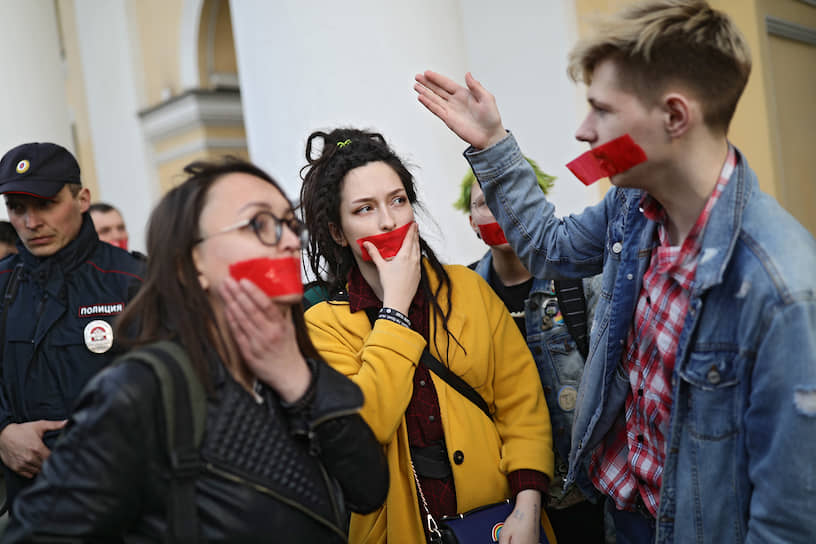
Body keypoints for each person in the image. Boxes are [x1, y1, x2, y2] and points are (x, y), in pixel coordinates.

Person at [415, 1, 816, 542]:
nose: (583, 131)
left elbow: (788, 517)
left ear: (674, 116)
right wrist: (491, 143)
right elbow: (550, 248)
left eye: (601, 110)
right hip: (621, 516)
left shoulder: (779, 285)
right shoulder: (633, 204)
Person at [2, 157, 389, 541]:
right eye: (259, 224)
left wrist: (300, 384)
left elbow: (368, 490)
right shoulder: (140, 389)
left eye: (289, 225)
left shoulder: (295, 364)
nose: (289, 241)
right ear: (193, 263)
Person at [300, 128, 557, 544]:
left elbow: (521, 407)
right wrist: (395, 309)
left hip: (502, 522)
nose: (388, 220)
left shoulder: (468, 289)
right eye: (364, 209)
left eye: (398, 200)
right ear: (337, 232)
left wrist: (527, 509)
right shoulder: (324, 327)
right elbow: (366, 428)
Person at [456, 168, 607, 542]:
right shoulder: (462, 297)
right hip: (508, 500)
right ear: (472, 221)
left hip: (589, 495)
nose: (497, 209)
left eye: (508, 198)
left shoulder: (580, 280)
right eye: (483, 203)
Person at [0, 142, 145, 510]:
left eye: (46, 204)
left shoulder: (134, 281)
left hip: (125, 506)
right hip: (32, 506)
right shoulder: (3, 286)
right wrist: (3, 433)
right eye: (17, 209)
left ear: (82, 199)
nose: (32, 224)